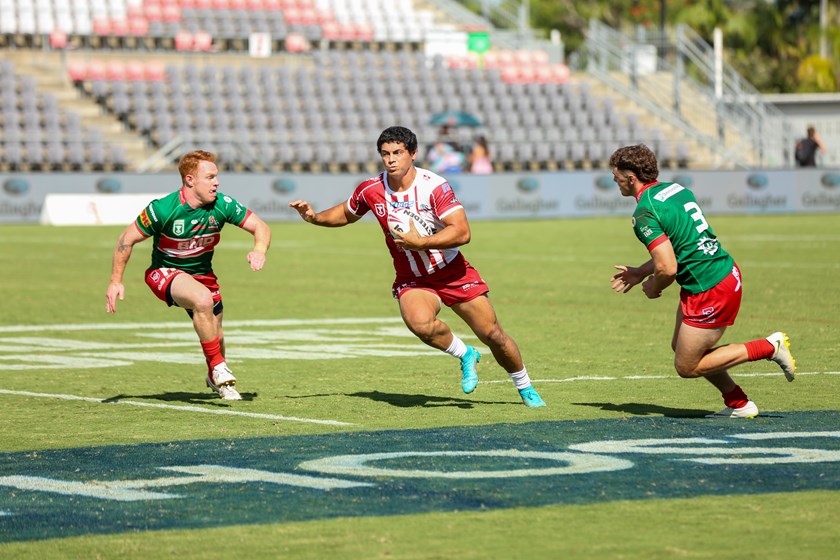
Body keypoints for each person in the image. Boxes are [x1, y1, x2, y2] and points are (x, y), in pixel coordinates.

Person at [289, 126, 546, 407]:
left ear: (413, 153)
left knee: (493, 334)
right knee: (420, 324)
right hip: (412, 278)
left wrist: (422, 242)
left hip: (452, 271)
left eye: (398, 152)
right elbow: (345, 214)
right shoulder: (371, 189)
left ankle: (525, 386)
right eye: (385, 154)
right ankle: (465, 354)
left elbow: (462, 232)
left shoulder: (433, 186)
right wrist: (314, 217)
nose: (391, 159)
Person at [608, 144, 795, 418]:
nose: (615, 180)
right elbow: (682, 246)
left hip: (710, 287)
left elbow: (668, 268)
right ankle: (739, 403)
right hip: (719, 273)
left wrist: (653, 286)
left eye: (617, 176)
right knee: (684, 349)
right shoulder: (675, 189)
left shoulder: (644, 212)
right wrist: (640, 272)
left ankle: (769, 347)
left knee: (687, 366)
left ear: (631, 177)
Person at [105, 150, 271, 400]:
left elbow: (260, 226)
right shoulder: (163, 209)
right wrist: (115, 281)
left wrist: (259, 249)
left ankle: (215, 377)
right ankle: (218, 368)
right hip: (165, 272)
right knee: (202, 300)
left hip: (202, 274)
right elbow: (126, 240)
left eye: (217, 176)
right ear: (190, 180)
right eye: (210, 176)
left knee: (216, 333)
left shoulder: (222, 205)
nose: (217, 182)